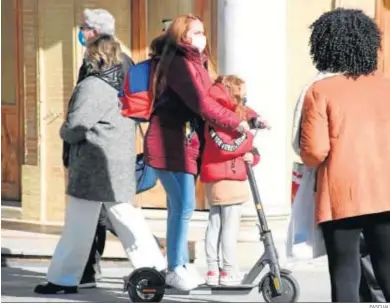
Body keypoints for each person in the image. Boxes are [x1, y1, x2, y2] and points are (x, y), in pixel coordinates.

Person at [34, 34, 166, 295]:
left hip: (93, 166)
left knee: (78, 225)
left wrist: (63, 130)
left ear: (94, 55)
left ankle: (63, 279)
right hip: (118, 163)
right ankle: (154, 267)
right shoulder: (124, 83)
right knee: (125, 217)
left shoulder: (93, 85)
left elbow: (75, 127)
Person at [144, 14, 250, 291]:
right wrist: (234, 122)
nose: (202, 38)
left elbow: (216, 100)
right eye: (197, 32)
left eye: (203, 32)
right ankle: (176, 267)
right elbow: (204, 105)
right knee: (183, 206)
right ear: (183, 36)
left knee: (178, 206)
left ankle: (176, 266)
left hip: (183, 144)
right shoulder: (179, 64)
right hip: (168, 143)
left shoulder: (196, 63)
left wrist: (247, 114)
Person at [299, 8, 390, 302]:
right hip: (386, 189)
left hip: (342, 193)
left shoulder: (320, 90)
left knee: (345, 271)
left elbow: (314, 152)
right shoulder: (387, 86)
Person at [62, 8, 134, 288]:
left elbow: (89, 112)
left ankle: (152, 260)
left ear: (95, 31)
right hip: (99, 150)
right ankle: (87, 270)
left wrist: (69, 132)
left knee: (110, 213)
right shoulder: (109, 61)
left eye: (85, 27)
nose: (81, 32)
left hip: (100, 152)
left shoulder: (108, 64)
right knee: (101, 214)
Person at [201, 75, 261, 286]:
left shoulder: (225, 112)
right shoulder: (217, 118)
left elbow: (248, 115)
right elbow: (226, 147)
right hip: (225, 177)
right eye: (242, 92)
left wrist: (256, 123)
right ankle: (227, 270)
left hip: (223, 175)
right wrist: (249, 137)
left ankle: (212, 269)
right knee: (227, 226)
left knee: (216, 224)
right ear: (233, 92)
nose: (245, 96)